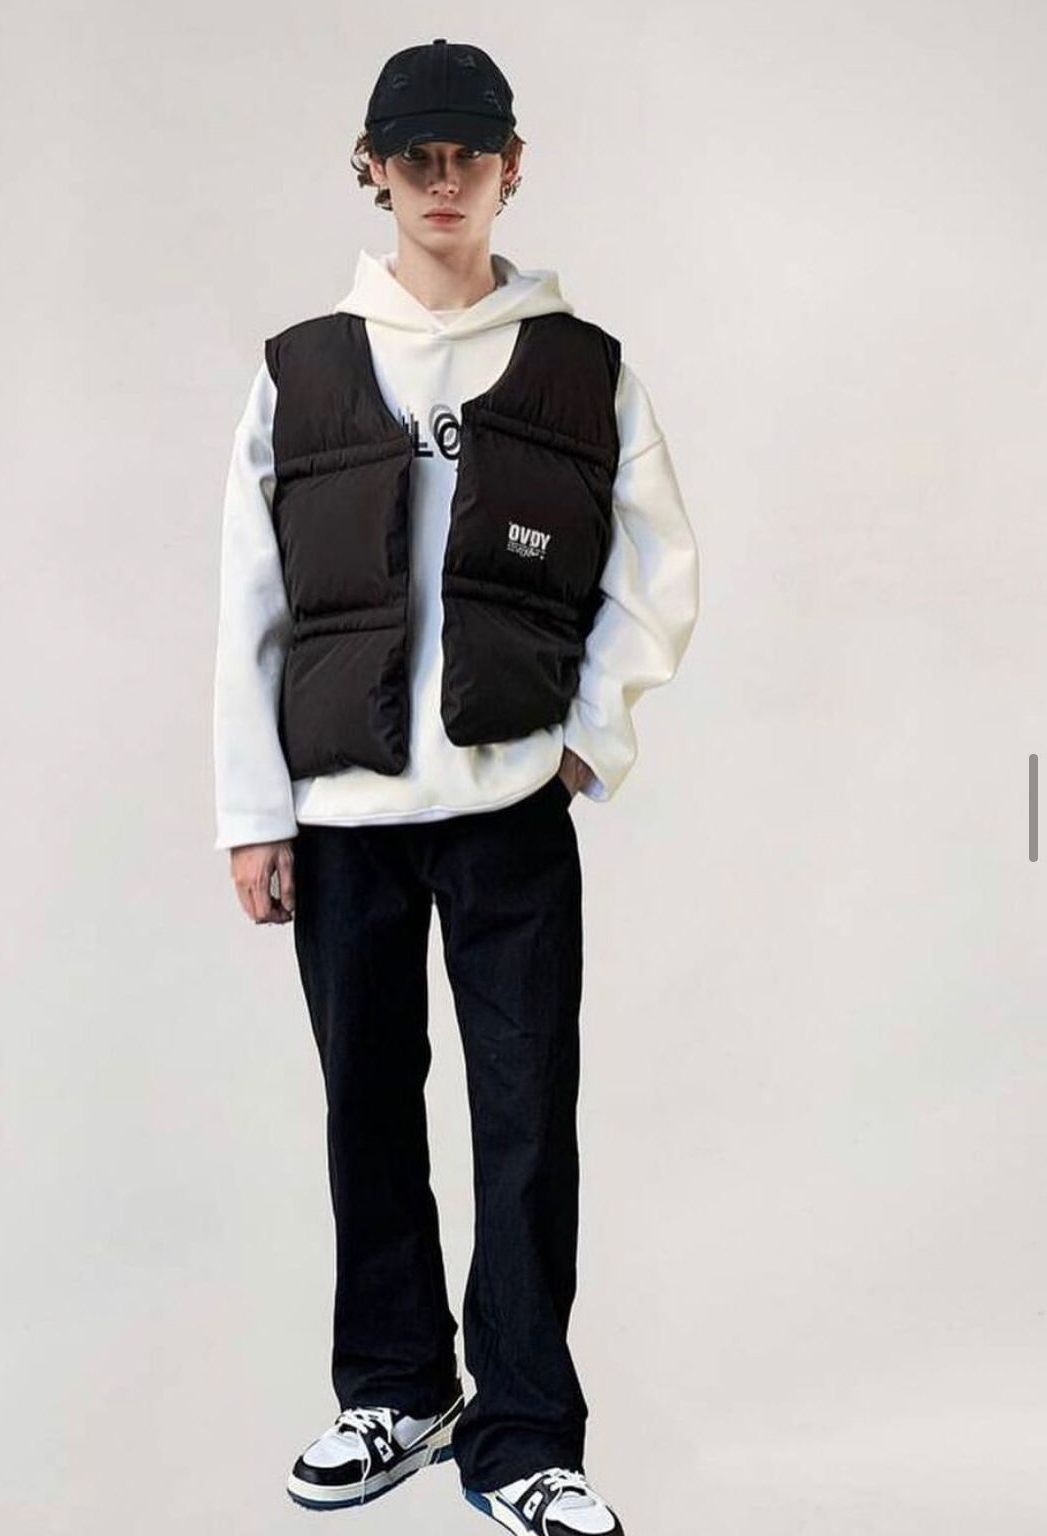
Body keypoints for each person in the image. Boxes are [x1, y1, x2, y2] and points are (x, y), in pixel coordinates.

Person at [212, 37, 699, 1536]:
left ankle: (526, 1436)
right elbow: (250, 603)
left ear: (510, 167)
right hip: (343, 818)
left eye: (467, 155)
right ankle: (395, 1390)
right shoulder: (299, 369)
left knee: (523, 1123)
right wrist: (253, 813)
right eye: (413, 156)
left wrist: (585, 740)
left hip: (505, 815)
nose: (442, 181)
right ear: (370, 168)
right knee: (366, 1109)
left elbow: (658, 569)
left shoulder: (582, 367)